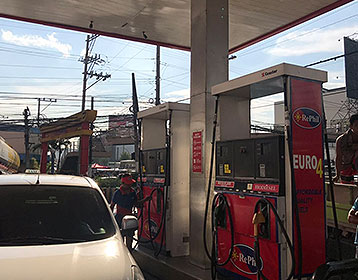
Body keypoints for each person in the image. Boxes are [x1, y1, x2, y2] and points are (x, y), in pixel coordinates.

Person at [110, 173, 150, 250]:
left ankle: (129, 252)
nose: (129, 186)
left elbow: (136, 203)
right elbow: (112, 206)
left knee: (130, 238)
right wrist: (111, 219)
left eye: (130, 184)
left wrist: (145, 200)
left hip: (130, 218)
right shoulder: (118, 193)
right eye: (128, 184)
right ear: (123, 183)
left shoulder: (132, 192)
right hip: (119, 218)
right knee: (120, 240)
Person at [335, 113, 358, 183]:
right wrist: (337, 175)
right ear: (351, 126)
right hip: (347, 172)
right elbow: (339, 158)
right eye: (357, 125)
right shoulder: (341, 140)